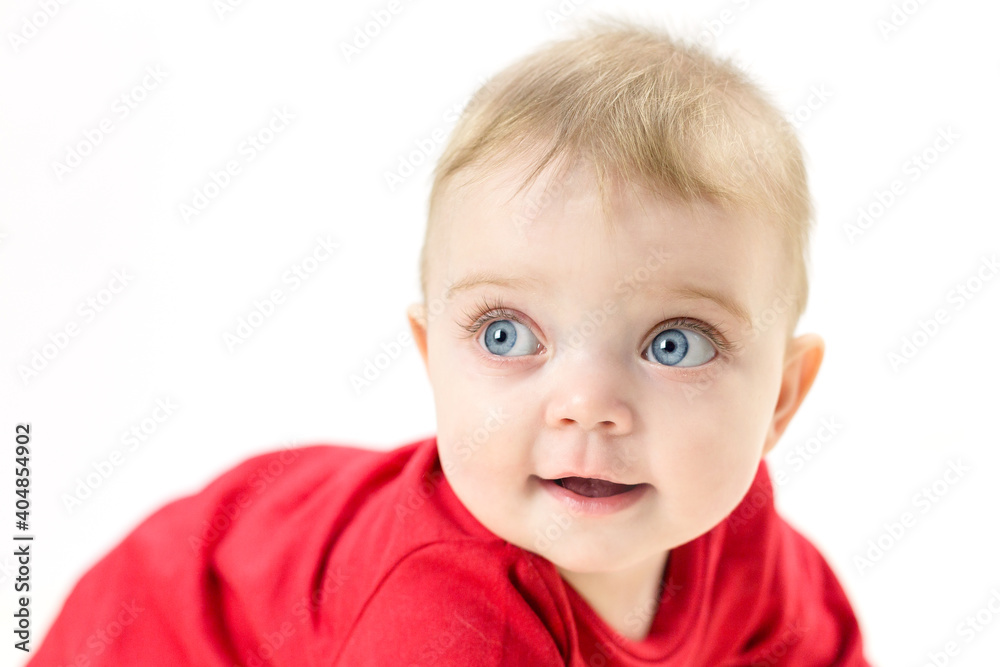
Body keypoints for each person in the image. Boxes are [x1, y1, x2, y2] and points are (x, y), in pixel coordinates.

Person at [30, 17, 871, 666]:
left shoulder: (751, 552)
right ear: (432, 359)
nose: (586, 405)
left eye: (675, 344)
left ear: (783, 398)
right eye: (508, 334)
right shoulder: (448, 616)